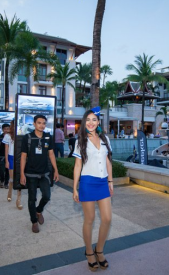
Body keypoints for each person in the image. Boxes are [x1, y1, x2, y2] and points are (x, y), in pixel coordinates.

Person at [72, 107, 113, 271]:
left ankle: (99, 249)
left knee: (107, 219)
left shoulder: (105, 139)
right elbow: (77, 165)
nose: (90, 123)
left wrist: (111, 181)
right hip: (87, 182)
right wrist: (75, 188)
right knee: (89, 220)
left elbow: (108, 161)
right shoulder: (80, 140)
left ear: (98, 122)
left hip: (103, 182)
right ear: (84, 122)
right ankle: (89, 252)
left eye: (94, 120)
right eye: (88, 120)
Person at [20, 115, 59, 233]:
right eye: (39, 123)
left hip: (44, 173)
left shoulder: (48, 137)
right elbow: (23, 157)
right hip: (31, 173)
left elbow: (51, 154)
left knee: (47, 196)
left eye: (44, 123)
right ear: (34, 124)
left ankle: (38, 211)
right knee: (32, 199)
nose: (42, 125)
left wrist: (56, 170)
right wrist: (22, 174)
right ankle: (34, 221)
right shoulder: (28, 137)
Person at [3, 120, 23, 209]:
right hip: (11, 157)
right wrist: (6, 161)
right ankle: (10, 191)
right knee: (12, 178)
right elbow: (6, 149)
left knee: (19, 179)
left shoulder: (22, 134)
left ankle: (18, 199)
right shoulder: (8, 135)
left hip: (20, 158)